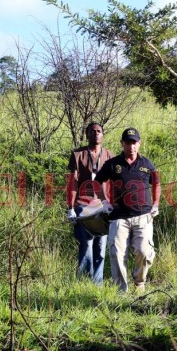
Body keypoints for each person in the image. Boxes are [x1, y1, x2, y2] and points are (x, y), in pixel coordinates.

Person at [95, 127, 161, 292]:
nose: (131, 146)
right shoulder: (112, 164)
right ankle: (121, 291)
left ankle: (139, 282)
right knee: (117, 254)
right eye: (127, 143)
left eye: (134, 143)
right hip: (118, 217)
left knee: (144, 252)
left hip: (144, 215)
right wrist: (104, 202)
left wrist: (156, 204)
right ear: (122, 143)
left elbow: (157, 184)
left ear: (139, 143)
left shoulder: (147, 164)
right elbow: (96, 183)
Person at [67, 122, 114, 285]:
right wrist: (70, 207)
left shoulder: (109, 155)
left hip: (103, 205)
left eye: (99, 131)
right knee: (86, 244)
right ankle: (84, 283)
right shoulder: (78, 154)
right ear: (87, 134)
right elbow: (72, 182)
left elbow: (114, 182)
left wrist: (113, 203)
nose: (96, 134)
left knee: (101, 246)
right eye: (92, 131)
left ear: (103, 134)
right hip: (83, 204)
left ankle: (97, 284)